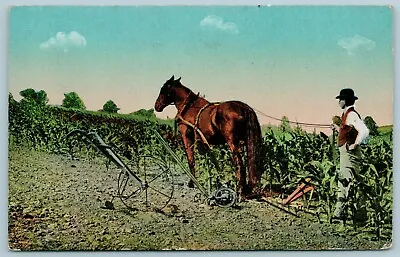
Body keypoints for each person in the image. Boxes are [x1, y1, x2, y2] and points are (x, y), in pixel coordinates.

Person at [331, 88, 369, 219]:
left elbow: (364, 131)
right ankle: (358, 213)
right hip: (347, 152)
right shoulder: (346, 114)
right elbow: (349, 132)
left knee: (346, 181)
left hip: (349, 153)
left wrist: (355, 144)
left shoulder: (351, 115)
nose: (339, 101)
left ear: (345, 101)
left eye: (340, 99)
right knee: (351, 180)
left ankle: (340, 213)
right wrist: (338, 129)